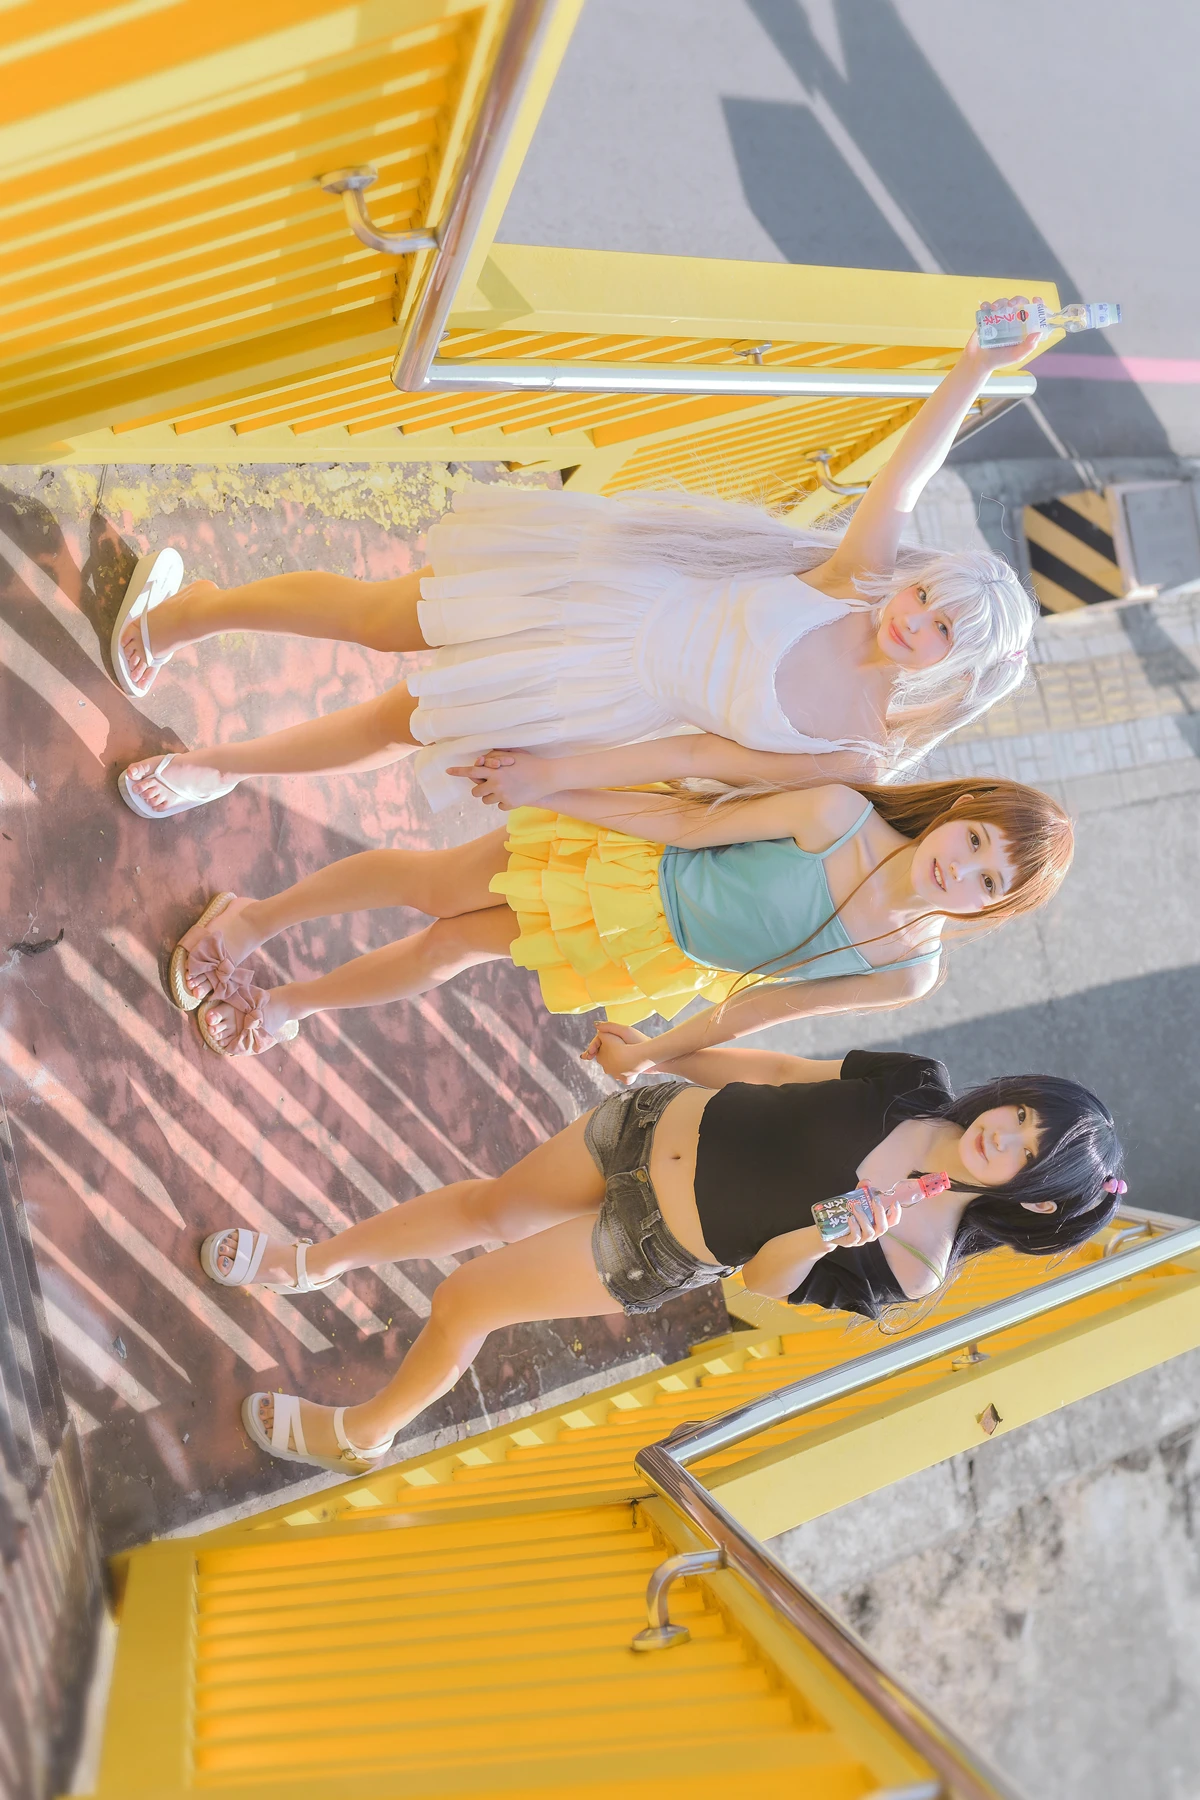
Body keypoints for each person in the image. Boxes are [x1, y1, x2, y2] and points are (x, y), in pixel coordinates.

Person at [113, 311, 1043, 820]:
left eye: (941, 629)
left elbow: (690, 756)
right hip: (606, 597)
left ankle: (214, 765)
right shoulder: (856, 581)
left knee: (398, 723)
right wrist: (975, 365)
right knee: (378, 618)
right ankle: (188, 614)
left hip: (600, 704)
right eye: (929, 593)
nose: (914, 618)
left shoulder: (857, 752)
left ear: (954, 664)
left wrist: (553, 778)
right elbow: (907, 474)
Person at [198, 1039, 1125, 1473]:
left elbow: (760, 1283)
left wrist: (834, 1230)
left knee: (466, 1300)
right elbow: (781, 1073)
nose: (1004, 1135)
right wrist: (664, 1050)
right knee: (489, 1206)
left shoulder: (914, 1266)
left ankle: (363, 1434)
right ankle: (310, 1261)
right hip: (645, 1123)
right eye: (1021, 1115)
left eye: (1028, 1152)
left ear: (1036, 1199)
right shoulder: (917, 1085)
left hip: (654, 1241)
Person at [169, 774, 1072, 1063]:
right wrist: (557, 787)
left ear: (991, 909)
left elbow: (757, 1010)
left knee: (451, 949)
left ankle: (286, 1006)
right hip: (627, 860)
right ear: (962, 809)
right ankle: (251, 922)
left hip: (648, 949)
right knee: (436, 888)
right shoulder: (840, 814)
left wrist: (651, 1055)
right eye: (977, 839)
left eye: (989, 881)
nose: (963, 868)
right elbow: (691, 825)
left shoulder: (910, 970)